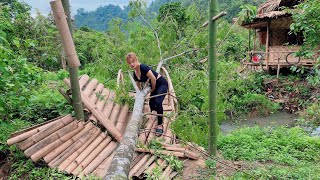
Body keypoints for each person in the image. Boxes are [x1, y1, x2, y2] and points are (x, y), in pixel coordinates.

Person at [126, 52, 168, 136]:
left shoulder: (143, 67)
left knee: (158, 102)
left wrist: (152, 89)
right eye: (130, 63)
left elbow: (153, 78)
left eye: (133, 61)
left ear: (136, 59)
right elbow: (138, 86)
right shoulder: (135, 73)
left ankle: (160, 125)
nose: (132, 64)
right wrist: (141, 94)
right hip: (153, 85)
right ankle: (156, 114)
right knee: (151, 103)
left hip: (161, 83)